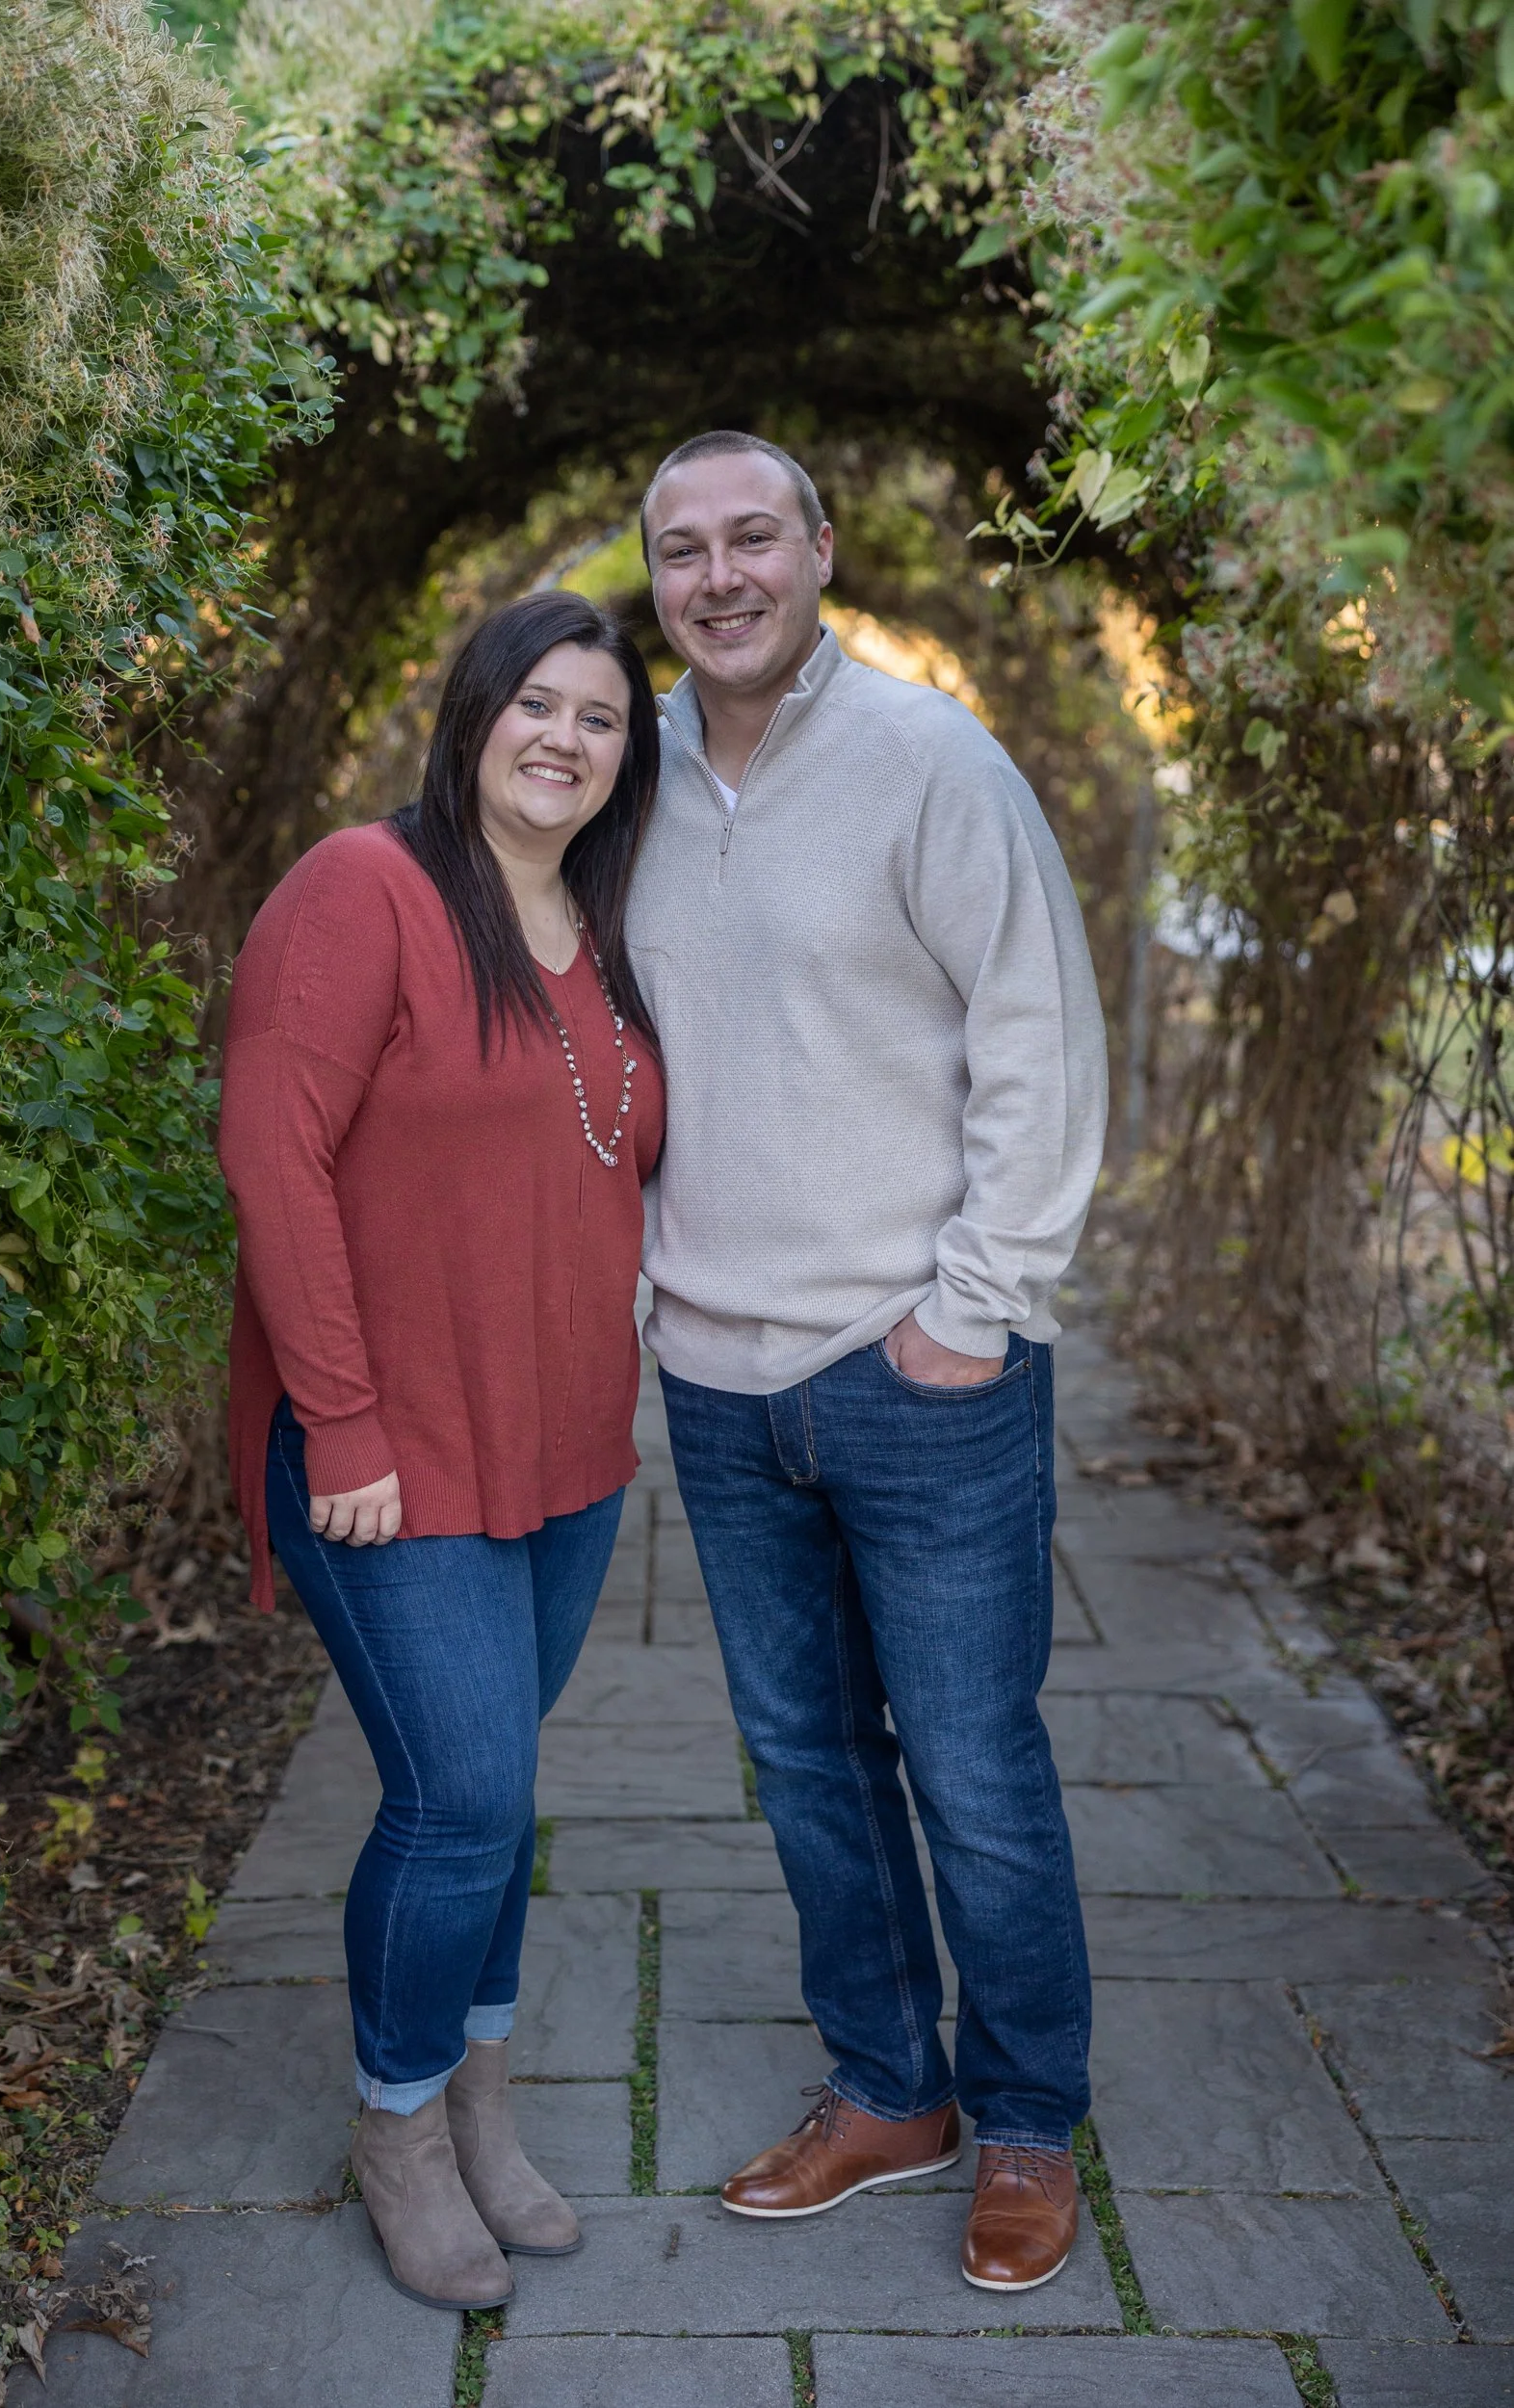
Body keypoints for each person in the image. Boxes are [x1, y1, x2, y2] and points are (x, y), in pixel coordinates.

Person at [627, 432, 1108, 2292]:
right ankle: (885, 2088)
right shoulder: (627, 774)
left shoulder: (930, 763)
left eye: (755, 536)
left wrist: (969, 1307)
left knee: (973, 1765)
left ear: (820, 549)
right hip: (718, 1376)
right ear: (654, 578)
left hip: (922, 1371)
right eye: (683, 550)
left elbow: (1035, 1044)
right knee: (805, 1762)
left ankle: (1023, 2122)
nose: (720, 575)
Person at [218, 590, 664, 2312]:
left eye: (601, 717)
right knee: (462, 1791)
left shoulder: (607, 924)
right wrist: (340, 1415)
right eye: (533, 703)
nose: (562, 738)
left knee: (500, 1798)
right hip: (384, 1453)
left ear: (631, 755)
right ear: (472, 711)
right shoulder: (364, 891)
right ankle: (397, 2125)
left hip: (562, 1455)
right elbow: (272, 1156)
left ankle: (480, 2097)